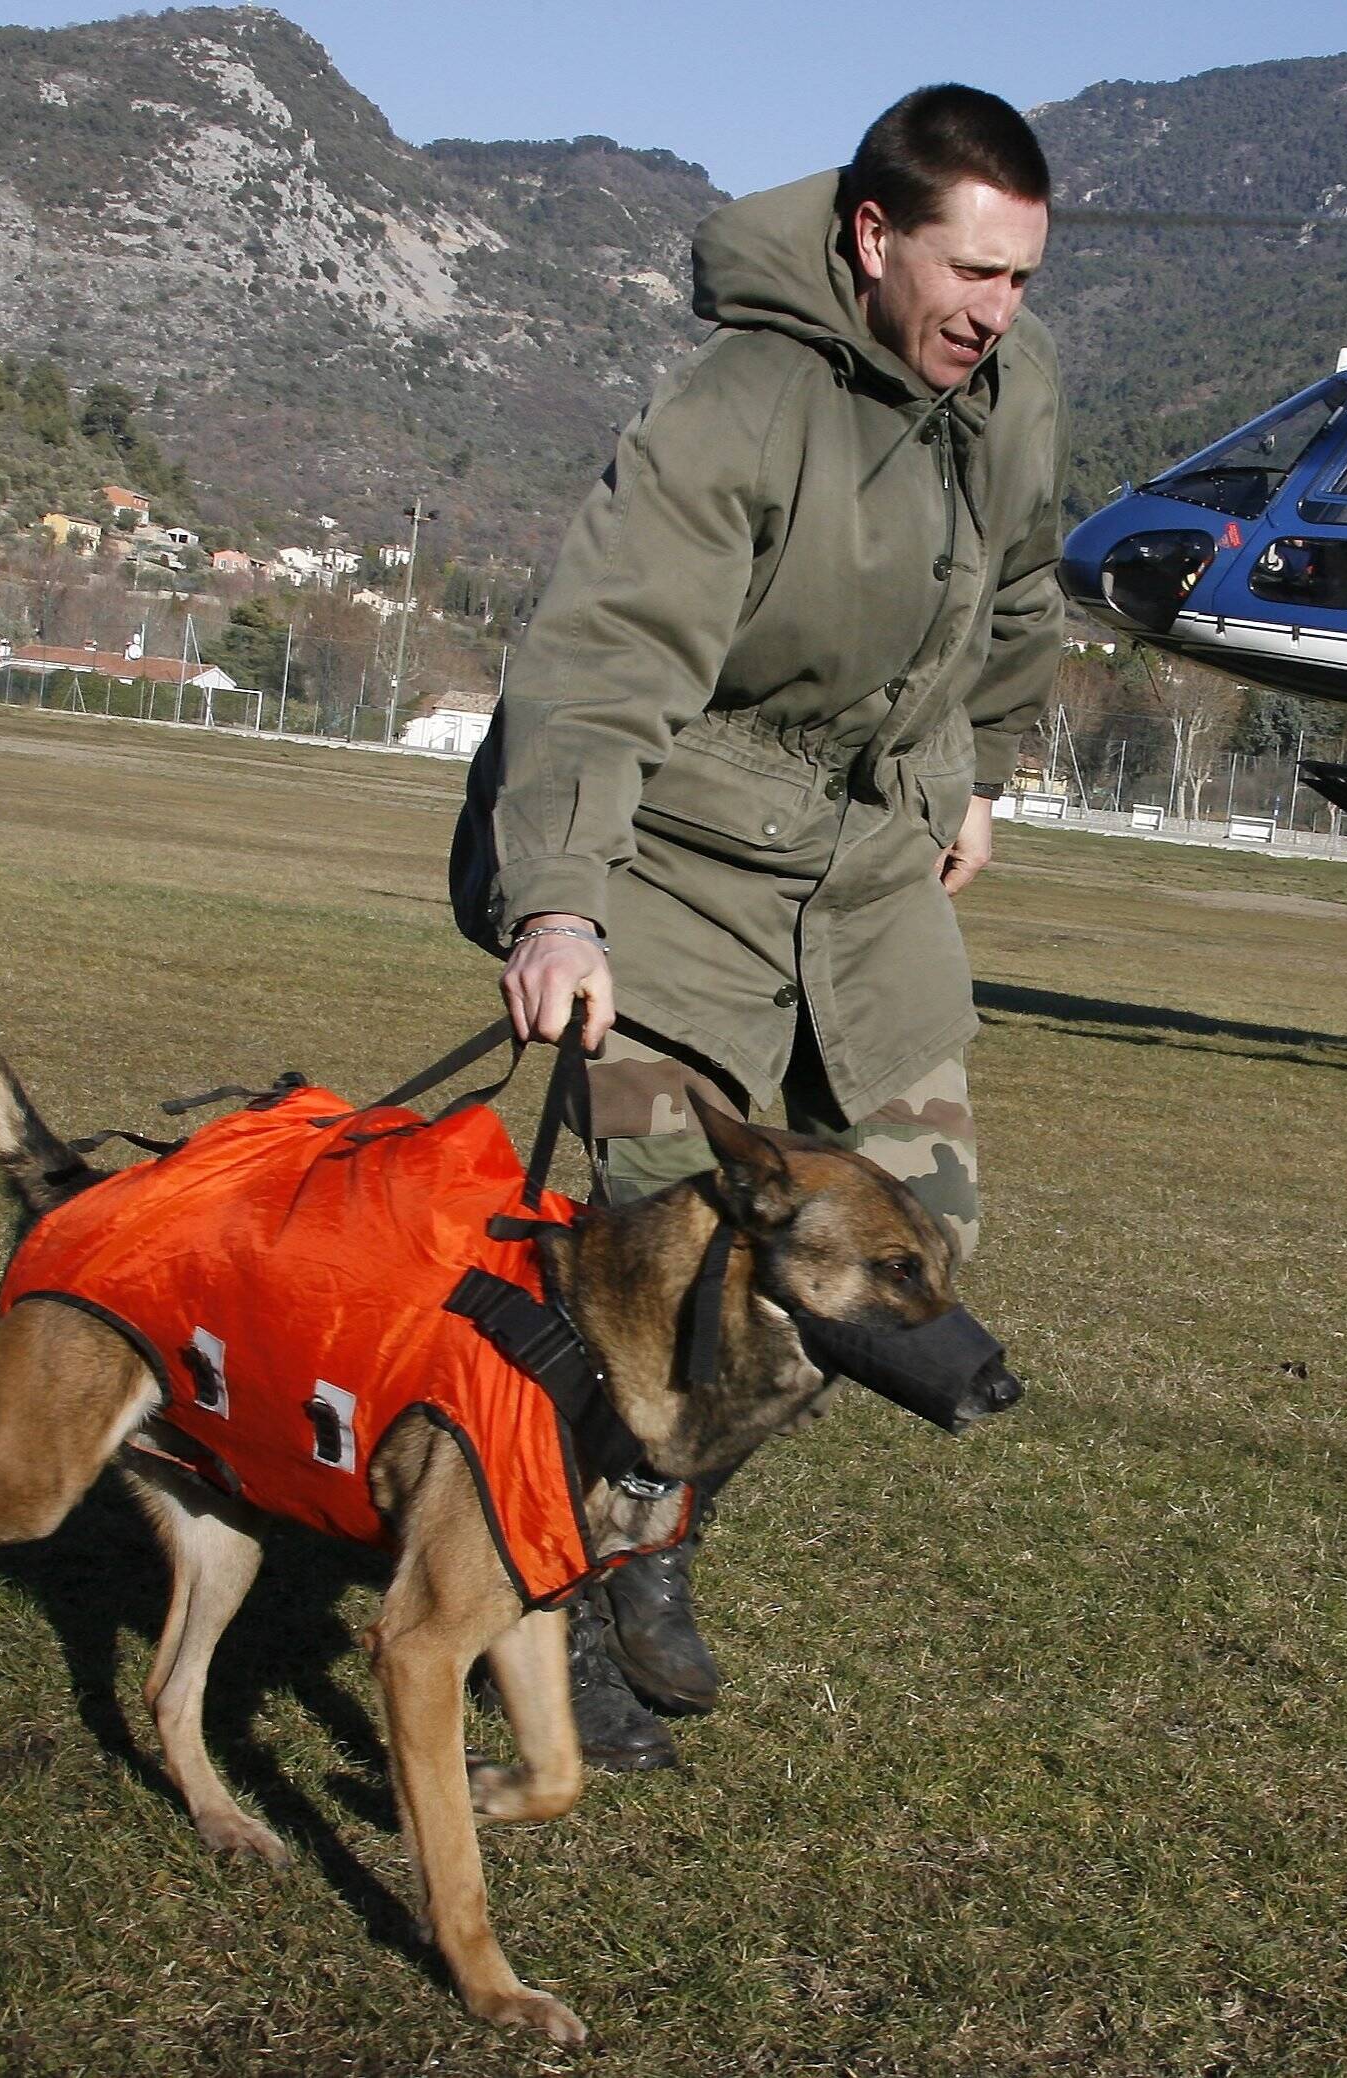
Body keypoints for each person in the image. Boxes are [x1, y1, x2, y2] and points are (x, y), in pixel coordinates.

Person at [472, 86, 1064, 1767]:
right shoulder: (739, 405)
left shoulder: (1013, 394)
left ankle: (659, 1507)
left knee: (916, 1234)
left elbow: (1023, 590)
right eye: (970, 272)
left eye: (1019, 279)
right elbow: (603, 653)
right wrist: (565, 901)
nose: (994, 312)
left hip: (870, 875)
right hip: (678, 856)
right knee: (639, 1255)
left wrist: (977, 771)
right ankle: (562, 1585)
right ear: (876, 238)